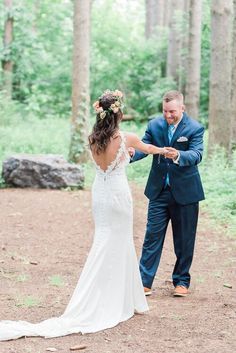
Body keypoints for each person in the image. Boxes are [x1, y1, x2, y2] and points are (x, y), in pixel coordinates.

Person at [0, 90, 167, 341]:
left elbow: (115, 156)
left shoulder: (93, 139)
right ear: (118, 112)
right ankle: (117, 299)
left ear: (100, 112)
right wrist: (165, 150)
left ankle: (114, 296)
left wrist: (126, 153)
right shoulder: (126, 137)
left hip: (100, 193)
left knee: (104, 240)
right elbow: (148, 148)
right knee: (120, 242)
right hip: (118, 196)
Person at [131, 90, 205, 297]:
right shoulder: (154, 125)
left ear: (182, 108)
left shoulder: (195, 128)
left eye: (172, 111)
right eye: (165, 111)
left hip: (186, 193)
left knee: (184, 239)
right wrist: (130, 154)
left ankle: (181, 281)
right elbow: (143, 147)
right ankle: (144, 282)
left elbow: (197, 154)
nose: (168, 115)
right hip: (159, 191)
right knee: (152, 236)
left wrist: (178, 154)